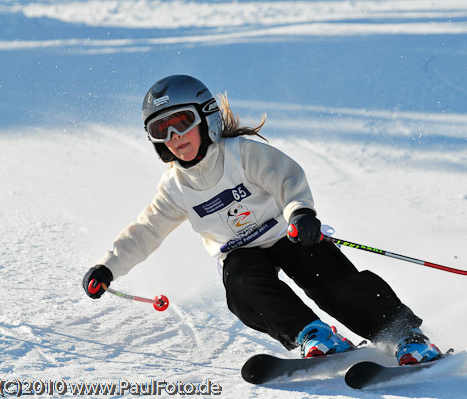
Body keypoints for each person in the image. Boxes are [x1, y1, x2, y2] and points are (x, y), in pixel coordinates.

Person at [82, 75, 442, 364]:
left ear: (206, 117)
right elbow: (147, 229)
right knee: (240, 287)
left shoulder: (242, 154)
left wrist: (301, 213)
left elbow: (287, 179)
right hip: (240, 252)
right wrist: (107, 268)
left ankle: (403, 335)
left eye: (182, 123)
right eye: (163, 131)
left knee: (331, 281)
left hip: (288, 233)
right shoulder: (175, 187)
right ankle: (311, 334)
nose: (175, 138)